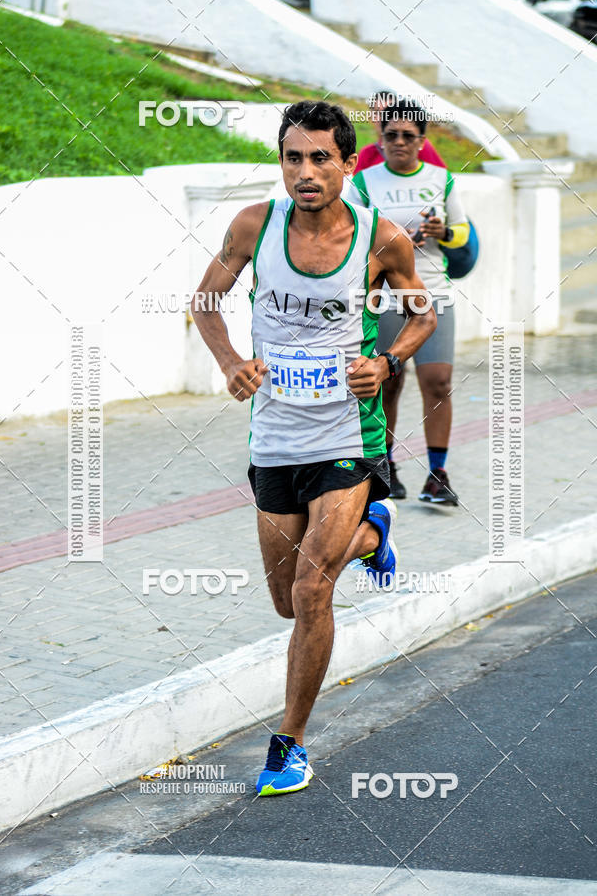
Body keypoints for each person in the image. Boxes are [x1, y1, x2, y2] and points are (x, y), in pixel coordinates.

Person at [192, 100, 436, 797]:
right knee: (284, 602)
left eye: (320, 157)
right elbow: (206, 301)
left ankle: (290, 745)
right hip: (274, 434)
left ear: (347, 162)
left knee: (310, 588)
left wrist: (386, 364)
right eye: (293, 157)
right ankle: (371, 532)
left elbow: (423, 311)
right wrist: (230, 361)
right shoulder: (253, 226)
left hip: (345, 433)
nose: (305, 171)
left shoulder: (379, 239)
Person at [347, 100, 470, 506]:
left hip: (433, 292)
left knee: (438, 383)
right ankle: (386, 468)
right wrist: (393, 242)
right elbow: (351, 241)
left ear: (422, 140)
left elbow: (463, 236)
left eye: (408, 136)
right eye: (391, 135)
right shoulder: (364, 182)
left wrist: (443, 230)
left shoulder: (442, 178)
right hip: (384, 299)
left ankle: (438, 475)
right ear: (379, 140)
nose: (399, 142)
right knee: (388, 383)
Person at [355, 90, 446, 174]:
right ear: (371, 117)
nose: (383, 117)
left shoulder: (417, 144)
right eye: (377, 113)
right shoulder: (367, 154)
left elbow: (440, 178)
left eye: (389, 112)